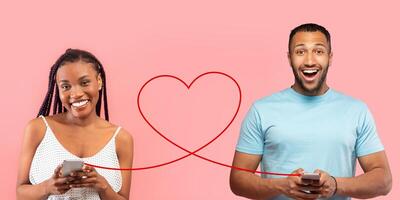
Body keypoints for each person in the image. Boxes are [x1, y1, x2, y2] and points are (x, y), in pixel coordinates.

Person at [230, 23, 392, 200]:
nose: (309, 61)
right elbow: (238, 181)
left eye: (319, 51)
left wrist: (335, 185)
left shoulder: (357, 111)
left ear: (330, 58)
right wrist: (280, 186)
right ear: (289, 58)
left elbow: (383, 181)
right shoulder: (261, 110)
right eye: (300, 52)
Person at [16, 49, 133, 200]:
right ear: (58, 89)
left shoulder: (122, 139)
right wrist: (48, 187)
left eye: (84, 83)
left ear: (99, 81)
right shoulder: (37, 129)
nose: (76, 93)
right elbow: (20, 194)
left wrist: (103, 186)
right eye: (66, 86)